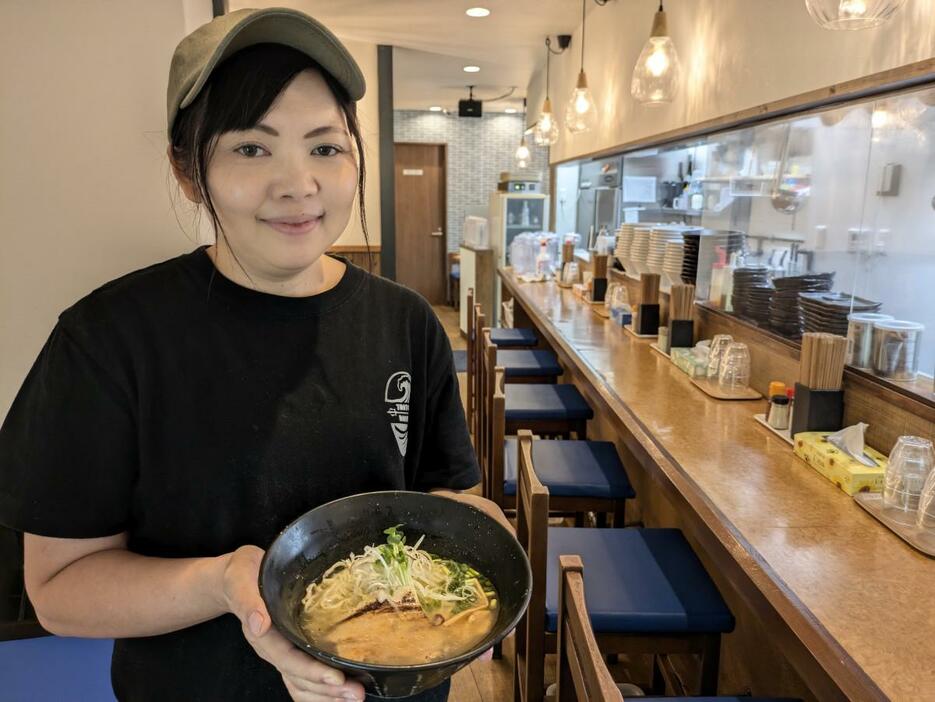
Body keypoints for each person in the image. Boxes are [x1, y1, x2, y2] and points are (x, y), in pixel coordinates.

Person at [0, 8, 501, 701]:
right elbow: (57, 590)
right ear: (186, 170)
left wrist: (482, 550)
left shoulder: (404, 321)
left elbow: (451, 497)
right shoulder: (108, 339)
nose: (298, 183)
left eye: (325, 148)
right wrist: (220, 582)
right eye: (250, 148)